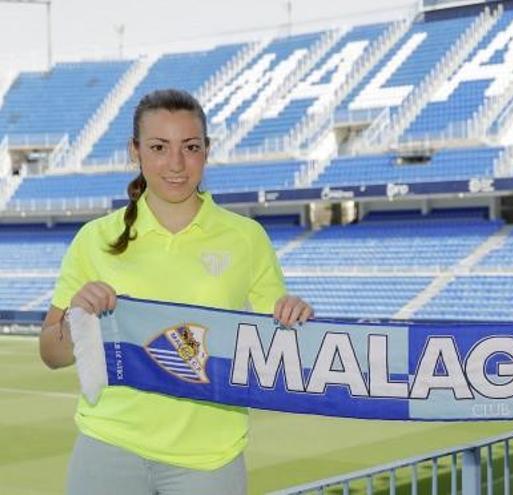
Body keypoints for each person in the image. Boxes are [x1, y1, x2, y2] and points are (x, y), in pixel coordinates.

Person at [38, 88, 314, 495]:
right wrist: (77, 316)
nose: (176, 164)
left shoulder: (246, 238)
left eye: (190, 147)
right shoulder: (94, 238)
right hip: (108, 444)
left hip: (209, 458)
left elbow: (278, 345)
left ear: (207, 150)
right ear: (135, 151)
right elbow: (51, 354)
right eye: (158, 147)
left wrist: (294, 316)